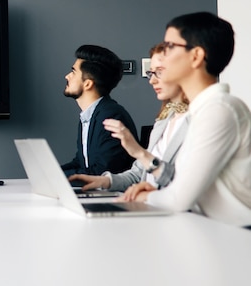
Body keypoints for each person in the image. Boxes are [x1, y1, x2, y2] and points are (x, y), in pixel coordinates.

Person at [121, 12, 251, 227]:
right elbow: (182, 188)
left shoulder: (219, 110)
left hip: (237, 238)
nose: (163, 55)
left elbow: (178, 200)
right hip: (209, 230)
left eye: (170, 46)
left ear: (196, 56)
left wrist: (147, 197)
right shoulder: (201, 111)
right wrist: (156, 192)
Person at [68, 44, 189, 191]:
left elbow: (185, 187)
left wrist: (139, 152)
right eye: (151, 73)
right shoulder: (162, 121)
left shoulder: (197, 120)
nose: (151, 81)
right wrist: (105, 181)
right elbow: (137, 175)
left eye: (159, 72)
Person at [61, 44, 138, 177]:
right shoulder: (89, 115)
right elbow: (81, 163)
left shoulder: (111, 116)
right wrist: (51, 173)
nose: (67, 76)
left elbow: (101, 172)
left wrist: (57, 177)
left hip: (113, 195)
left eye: (73, 72)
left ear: (88, 83)